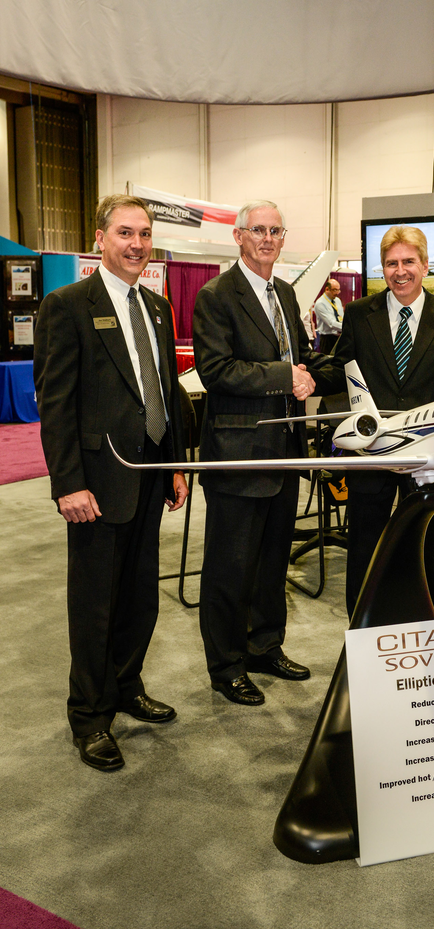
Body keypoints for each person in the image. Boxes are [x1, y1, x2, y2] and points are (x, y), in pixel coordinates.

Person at [33, 194, 189, 771]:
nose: (137, 244)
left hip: (149, 474)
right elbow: (56, 404)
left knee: (140, 597)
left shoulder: (157, 306)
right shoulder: (67, 305)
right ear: (99, 239)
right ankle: (90, 716)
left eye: (144, 234)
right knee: (95, 604)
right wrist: (67, 483)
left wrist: (175, 462)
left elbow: (165, 392)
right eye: (125, 233)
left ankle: (126, 685)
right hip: (96, 485)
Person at [193, 200, 335, 707]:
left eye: (277, 229)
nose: (269, 238)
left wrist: (328, 366)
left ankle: (264, 645)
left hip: (284, 448)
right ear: (238, 236)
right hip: (238, 452)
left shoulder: (285, 293)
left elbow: (297, 355)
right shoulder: (216, 296)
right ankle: (226, 666)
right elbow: (217, 371)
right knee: (231, 566)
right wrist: (285, 376)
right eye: (259, 230)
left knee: (273, 562)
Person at [332, 225, 434, 620]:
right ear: (382, 268)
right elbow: (341, 371)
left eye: (409, 261)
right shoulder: (359, 315)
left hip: (429, 459)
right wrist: (298, 374)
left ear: (425, 265)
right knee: (365, 551)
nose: (400, 271)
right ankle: (363, 634)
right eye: (391, 263)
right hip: (372, 454)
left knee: (428, 551)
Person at [313, 278, 344, 353]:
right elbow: (331, 323)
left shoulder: (337, 300)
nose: (337, 292)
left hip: (339, 336)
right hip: (327, 338)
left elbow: (341, 317)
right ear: (327, 289)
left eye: (338, 290)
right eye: (334, 290)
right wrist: (346, 327)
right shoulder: (320, 303)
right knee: (329, 361)